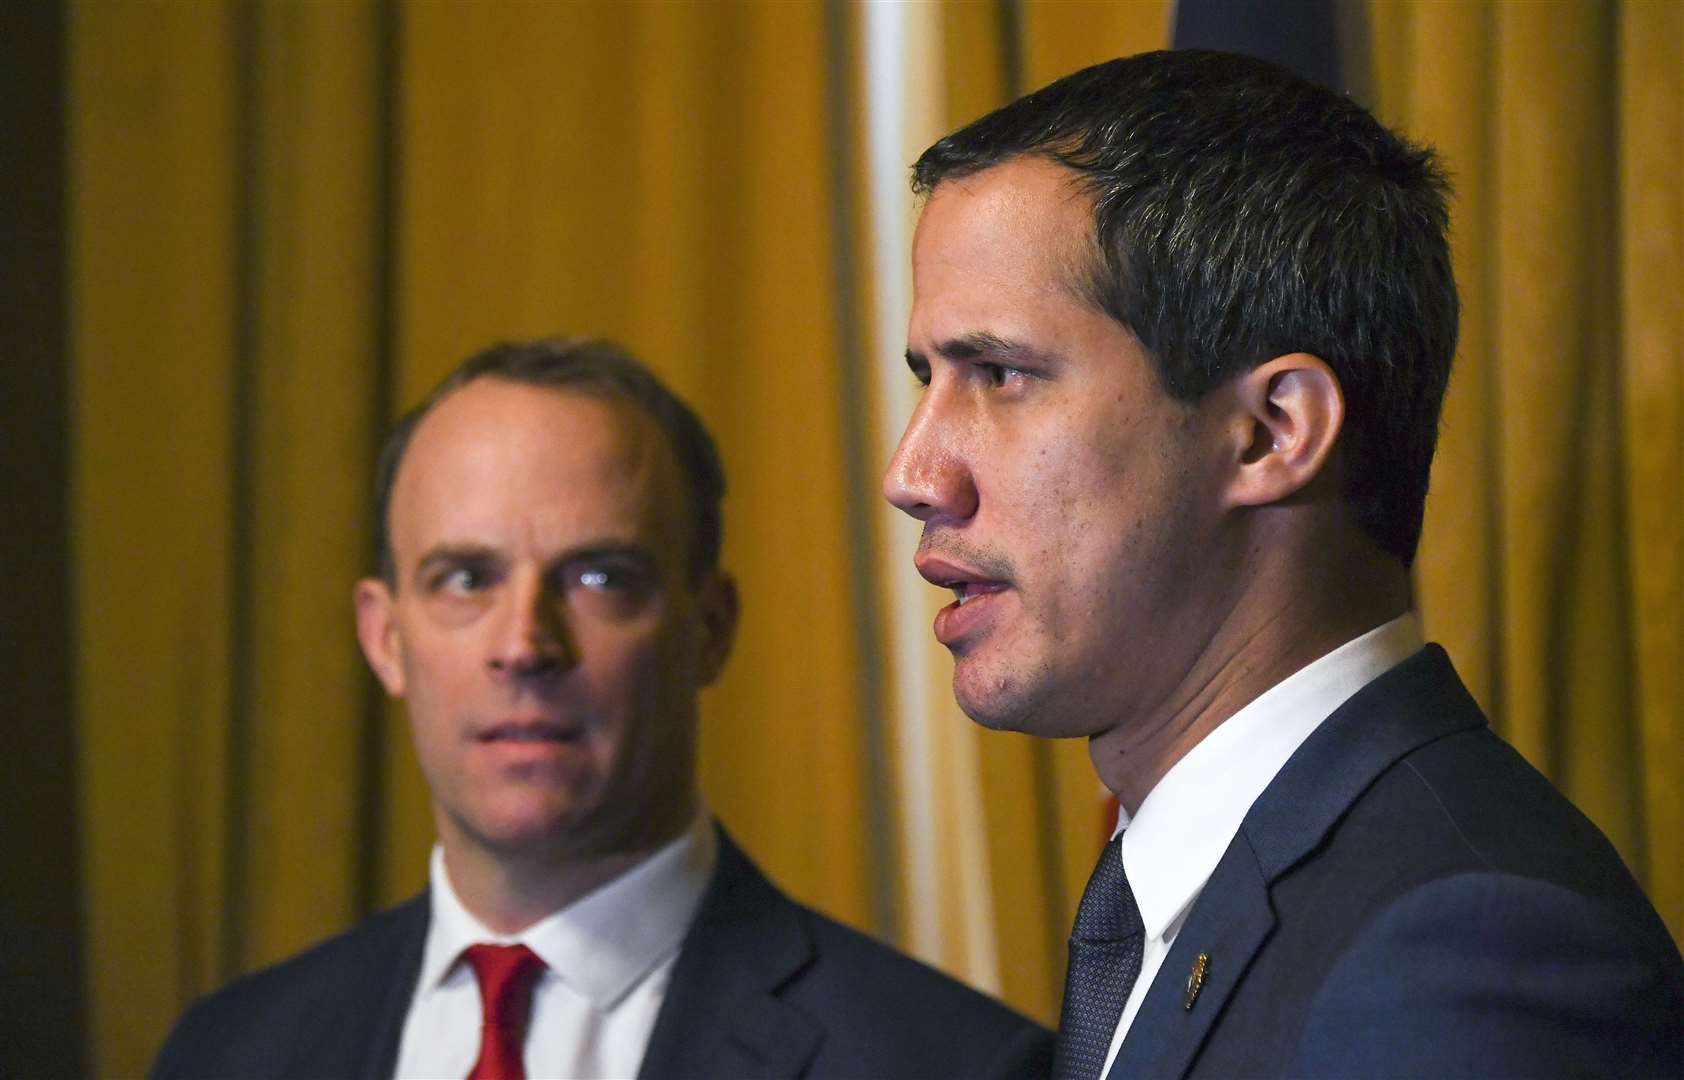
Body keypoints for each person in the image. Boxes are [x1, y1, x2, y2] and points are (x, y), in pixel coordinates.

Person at [883, 50, 1683, 1080]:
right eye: (927, 378)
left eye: (997, 373)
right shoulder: (1201, 890)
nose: (913, 473)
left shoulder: (1469, 958)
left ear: (1269, 433)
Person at [153, 338, 1051, 1080]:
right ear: (385, 639)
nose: (524, 645)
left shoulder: (949, 1064)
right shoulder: (225, 1053)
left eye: (598, 579)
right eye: (466, 579)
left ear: (709, 629)